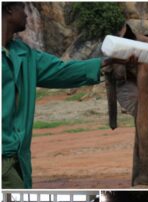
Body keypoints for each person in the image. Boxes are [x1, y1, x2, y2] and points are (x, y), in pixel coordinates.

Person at [2, 2, 137, 188]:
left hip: (18, 158)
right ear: (8, 10)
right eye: (22, 8)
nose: (27, 14)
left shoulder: (24, 54)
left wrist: (108, 61)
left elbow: (61, 70)